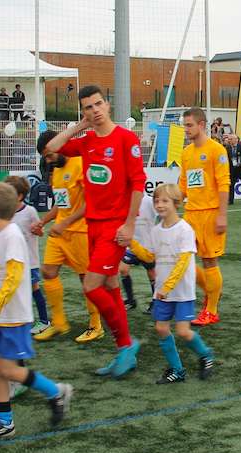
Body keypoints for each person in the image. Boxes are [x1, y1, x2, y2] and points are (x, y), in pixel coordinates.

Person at [46, 85, 146, 379]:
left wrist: (129, 225)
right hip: (92, 224)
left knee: (91, 286)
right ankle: (124, 350)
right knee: (111, 286)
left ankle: (127, 345)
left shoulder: (127, 139)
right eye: (88, 107)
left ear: (108, 104)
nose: (95, 110)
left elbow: (138, 184)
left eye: (98, 104)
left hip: (115, 227)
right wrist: (80, 126)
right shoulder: (87, 141)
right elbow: (53, 147)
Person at [0, 182, 73, 441]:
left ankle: (56, 391)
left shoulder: (12, 235)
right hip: (0, 316)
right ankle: (4, 421)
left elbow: (14, 278)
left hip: (12, 316)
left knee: (7, 369)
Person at [126, 184, 217, 384]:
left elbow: (183, 262)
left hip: (181, 292)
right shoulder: (156, 230)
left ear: (176, 203)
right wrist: (130, 243)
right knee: (161, 329)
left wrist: (168, 287)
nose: (159, 204)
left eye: (165, 201)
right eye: (157, 200)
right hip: (162, 292)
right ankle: (177, 370)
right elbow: (149, 255)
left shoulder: (185, 229)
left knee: (183, 331)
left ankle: (206, 354)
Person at [30, 131, 104, 344]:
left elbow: (91, 203)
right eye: (44, 157)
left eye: (48, 154)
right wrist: (43, 222)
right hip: (60, 233)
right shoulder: (57, 171)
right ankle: (59, 322)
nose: (47, 159)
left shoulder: (81, 164)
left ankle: (95, 326)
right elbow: (60, 204)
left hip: (81, 232)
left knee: (86, 280)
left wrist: (65, 223)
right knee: (48, 271)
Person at [176, 107, 230, 326]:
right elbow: (184, 187)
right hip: (191, 214)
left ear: (201, 125)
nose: (186, 129)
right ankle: (211, 290)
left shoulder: (216, 150)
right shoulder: (186, 153)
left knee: (209, 261)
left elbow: (224, 184)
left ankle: (212, 309)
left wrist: (222, 216)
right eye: (184, 125)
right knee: (182, 259)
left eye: (189, 125)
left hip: (211, 214)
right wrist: (166, 203)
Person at [5, 176, 49, 334]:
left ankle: (44, 321)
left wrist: (37, 229)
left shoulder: (30, 211)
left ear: (19, 196)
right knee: (13, 290)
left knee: (33, 289)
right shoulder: (6, 213)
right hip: (11, 261)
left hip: (29, 261)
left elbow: (40, 231)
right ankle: (17, 321)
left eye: (8, 192)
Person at [119, 192, 157, 312]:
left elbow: (162, 215)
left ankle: (156, 302)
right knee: (123, 269)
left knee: (151, 272)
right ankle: (130, 300)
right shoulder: (124, 201)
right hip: (131, 245)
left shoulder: (148, 201)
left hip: (148, 246)